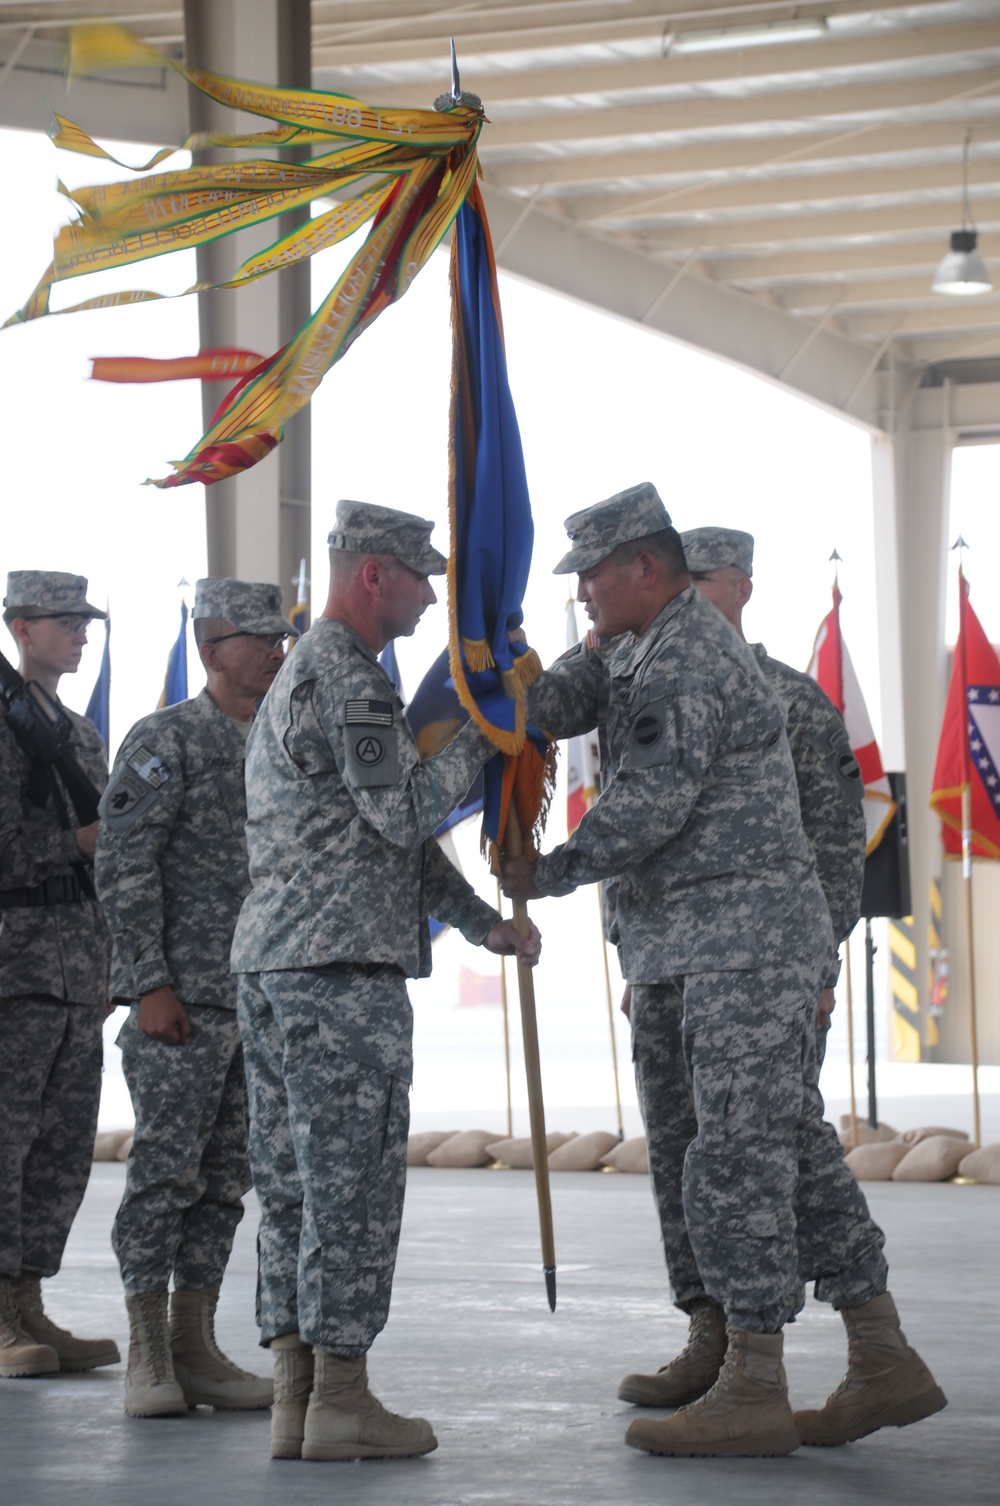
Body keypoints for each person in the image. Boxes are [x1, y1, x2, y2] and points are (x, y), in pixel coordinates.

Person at [502, 484, 945, 1457]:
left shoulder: (692, 658)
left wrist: (550, 869)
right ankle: (879, 1355)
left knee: (736, 1157)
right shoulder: (634, 646)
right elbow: (567, 698)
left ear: (646, 570)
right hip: (689, 944)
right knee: (785, 1144)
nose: (581, 593)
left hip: (743, 942)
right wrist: (498, 675)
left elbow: (652, 803)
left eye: (592, 575)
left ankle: (753, 1379)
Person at [232, 500, 541, 1464]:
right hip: (336, 976)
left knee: (292, 1190)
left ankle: (297, 1397)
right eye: (421, 577)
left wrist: (481, 921)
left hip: (282, 965)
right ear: (375, 574)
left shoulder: (303, 674)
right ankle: (345, 1398)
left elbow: (381, 843)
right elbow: (407, 812)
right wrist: (491, 733)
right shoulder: (346, 677)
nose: (432, 596)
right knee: (349, 1190)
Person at [617, 524, 868, 1412]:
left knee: (758, 1149)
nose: (689, 597)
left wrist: (821, 964)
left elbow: (840, 848)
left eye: (706, 581)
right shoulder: (644, 684)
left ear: (743, 588)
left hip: (763, 969)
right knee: (681, 1153)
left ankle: (769, 1352)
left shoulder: (792, 703)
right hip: (664, 969)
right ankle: (710, 1329)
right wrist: (630, 946)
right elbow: (643, 828)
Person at [96, 578, 294, 1418]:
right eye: (260, 638)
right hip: (180, 1005)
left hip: (258, 1000)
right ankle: (148, 1350)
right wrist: (149, 984)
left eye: (283, 637)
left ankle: (195, 1344)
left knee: (223, 1183)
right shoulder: (166, 741)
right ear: (213, 649)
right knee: (163, 1177)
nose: (278, 651)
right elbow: (122, 864)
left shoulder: (287, 742)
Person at [0, 572, 119, 1378]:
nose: (80, 634)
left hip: (80, 965)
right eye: (65, 621)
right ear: (19, 627)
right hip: (17, 962)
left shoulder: (76, 734)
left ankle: (27, 1299)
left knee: (60, 1148)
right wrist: (71, 847)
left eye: (85, 621)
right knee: (5, 1144)